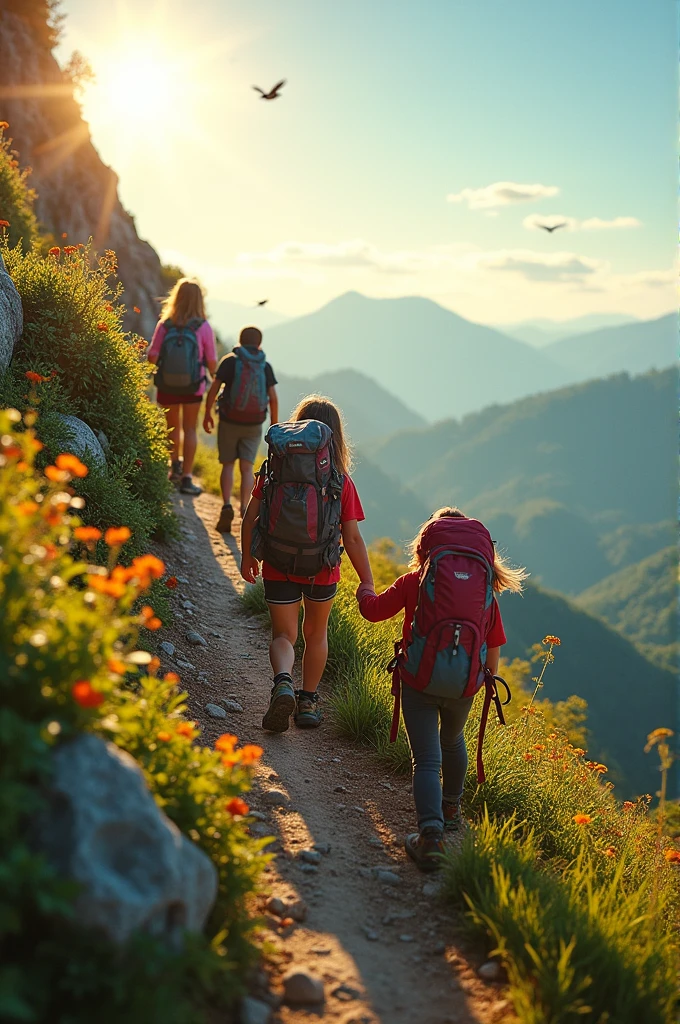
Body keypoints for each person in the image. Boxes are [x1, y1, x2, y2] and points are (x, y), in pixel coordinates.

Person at [357, 507, 527, 872]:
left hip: (418, 680)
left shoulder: (412, 582)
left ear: (425, 547)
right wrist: (480, 682)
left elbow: (372, 611)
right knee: (452, 741)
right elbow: (494, 646)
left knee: (426, 760)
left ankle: (430, 838)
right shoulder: (485, 595)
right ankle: (452, 808)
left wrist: (364, 588)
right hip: (465, 686)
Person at [240, 396, 374, 731]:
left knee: (284, 633)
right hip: (322, 568)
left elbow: (250, 515)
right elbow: (353, 538)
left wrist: (246, 555)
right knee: (316, 634)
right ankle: (308, 702)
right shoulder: (340, 480)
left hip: (277, 562)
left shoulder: (274, 469)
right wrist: (367, 581)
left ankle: (283, 681)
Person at [203, 326, 278, 534]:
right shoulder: (264, 366)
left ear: (240, 341)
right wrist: (274, 425)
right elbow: (273, 397)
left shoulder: (230, 361)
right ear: (259, 344)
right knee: (247, 468)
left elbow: (214, 388)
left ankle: (227, 504)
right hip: (254, 423)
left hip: (229, 419)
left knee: (227, 464)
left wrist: (208, 412)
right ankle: (245, 508)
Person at [148, 278, 217, 496]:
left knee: (172, 426)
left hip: (167, 385)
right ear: (199, 301)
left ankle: (174, 467)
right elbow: (212, 362)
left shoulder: (165, 324)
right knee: (189, 429)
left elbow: (152, 356)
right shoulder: (203, 327)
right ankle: (187, 478)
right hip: (193, 386)